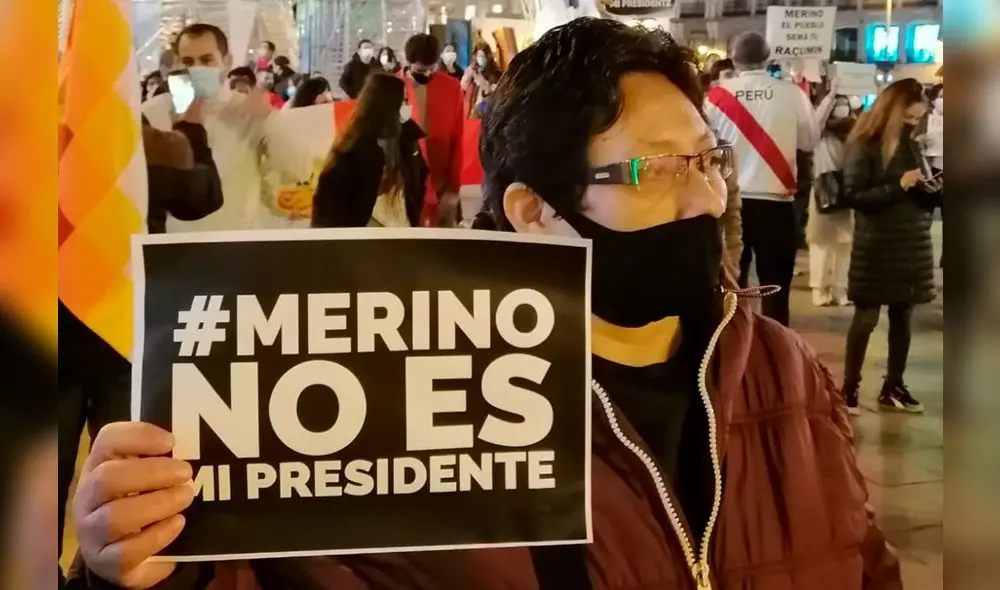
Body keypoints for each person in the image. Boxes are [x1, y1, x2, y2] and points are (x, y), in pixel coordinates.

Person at [67, 19, 900, 590]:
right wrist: (156, 563)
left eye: (709, 160)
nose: (708, 198)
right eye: (658, 170)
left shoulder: (781, 367)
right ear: (536, 211)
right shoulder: (411, 387)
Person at [705, 31, 819, 326]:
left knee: (731, 288)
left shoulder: (716, 97)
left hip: (731, 205)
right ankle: (777, 355)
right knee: (776, 291)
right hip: (776, 202)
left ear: (734, 57)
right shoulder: (792, 93)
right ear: (768, 58)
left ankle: (732, 352)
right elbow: (809, 142)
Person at [841, 78, 939, 415]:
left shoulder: (912, 144)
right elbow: (854, 196)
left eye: (917, 119)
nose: (914, 124)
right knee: (866, 318)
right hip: (877, 244)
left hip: (912, 242)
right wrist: (898, 187)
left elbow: (919, 193)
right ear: (893, 111)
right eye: (909, 118)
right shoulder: (864, 144)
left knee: (903, 317)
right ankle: (849, 389)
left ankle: (893, 386)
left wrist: (933, 187)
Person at [141, 23, 296, 231]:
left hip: (233, 244)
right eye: (188, 61)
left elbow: (290, 165)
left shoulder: (248, 110)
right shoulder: (152, 112)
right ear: (177, 64)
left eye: (206, 60)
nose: (196, 68)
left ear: (226, 62)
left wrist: (271, 121)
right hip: (169, 244)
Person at [312, 73, 427, 228]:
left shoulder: (351, 138)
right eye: (400, 104)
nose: (403, 113)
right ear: (386, 108)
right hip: (341, 241)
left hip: (327, 234)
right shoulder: (368, 153)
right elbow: (357, 214)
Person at [403, 33, 464, 227]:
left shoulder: (451, 87)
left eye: (432, 68)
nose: (428, 74)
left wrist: (453, 188)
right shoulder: (394, 87)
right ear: (409, 62)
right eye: (422, 69)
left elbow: (458, 138)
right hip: (405, 185)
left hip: (441, 183)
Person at [807, 88, 856, 307]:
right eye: (837, 104)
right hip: (824, 188)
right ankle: (818, 289)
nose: (841, 107)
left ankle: (839, 289)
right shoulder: (819, 133)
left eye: (844, 103)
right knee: (820, 242)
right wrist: (831, 94)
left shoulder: (855, 129)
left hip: (847, 189)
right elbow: (816, 119)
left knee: (845, 244)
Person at [461, 42, 502, 119]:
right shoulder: (473, 70)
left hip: (483, 110)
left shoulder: (494, 73)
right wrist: (469, 73)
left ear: (488, 57)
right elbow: (463, 86)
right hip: (469, 111)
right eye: (479, 56)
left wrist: (481, 81)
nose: (481, 59)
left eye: (483, 56)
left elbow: (490, 94)